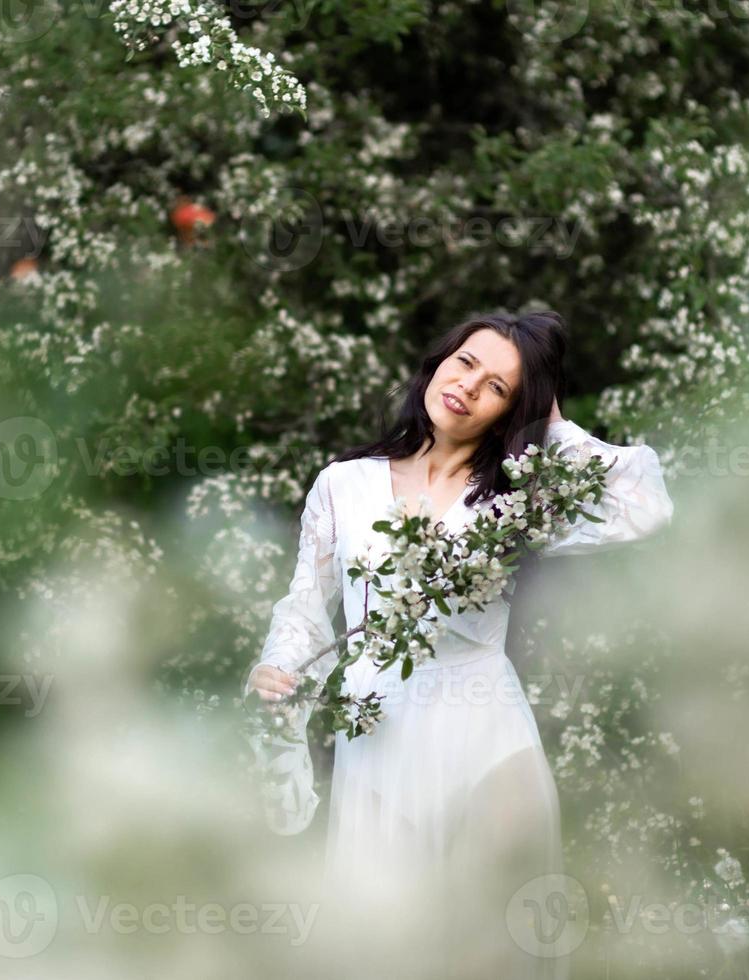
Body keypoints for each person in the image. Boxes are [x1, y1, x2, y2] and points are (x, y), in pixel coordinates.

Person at [243, 310, 675, 978]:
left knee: (494, 948)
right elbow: (306, 603)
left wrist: (552, 427)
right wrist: (280, 663)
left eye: (499, 387)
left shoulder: (520, 497)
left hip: (487, 738)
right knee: (389, 946)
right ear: (440, 362)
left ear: (511, 413)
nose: (470, 387)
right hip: (380, 739)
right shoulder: (345, 484)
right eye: (467, 362)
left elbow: (644, 504)